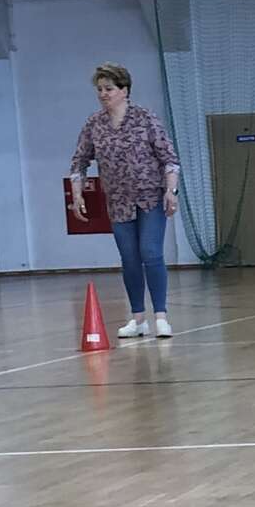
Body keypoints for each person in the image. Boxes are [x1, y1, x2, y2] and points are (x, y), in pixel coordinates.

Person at [69, 63, 182, 339]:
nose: (103, 94)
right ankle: (138, 318)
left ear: (124, 90)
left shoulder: (145, 118)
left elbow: (169, 158)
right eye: (99, 89)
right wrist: (77, 194)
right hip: (118, 202)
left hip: (150, 197)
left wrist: (171, 191)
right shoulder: (94, 124)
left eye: (109, 89)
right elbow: (79, 161)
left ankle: (161, 316)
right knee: (129, 258)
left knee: (150, 252)